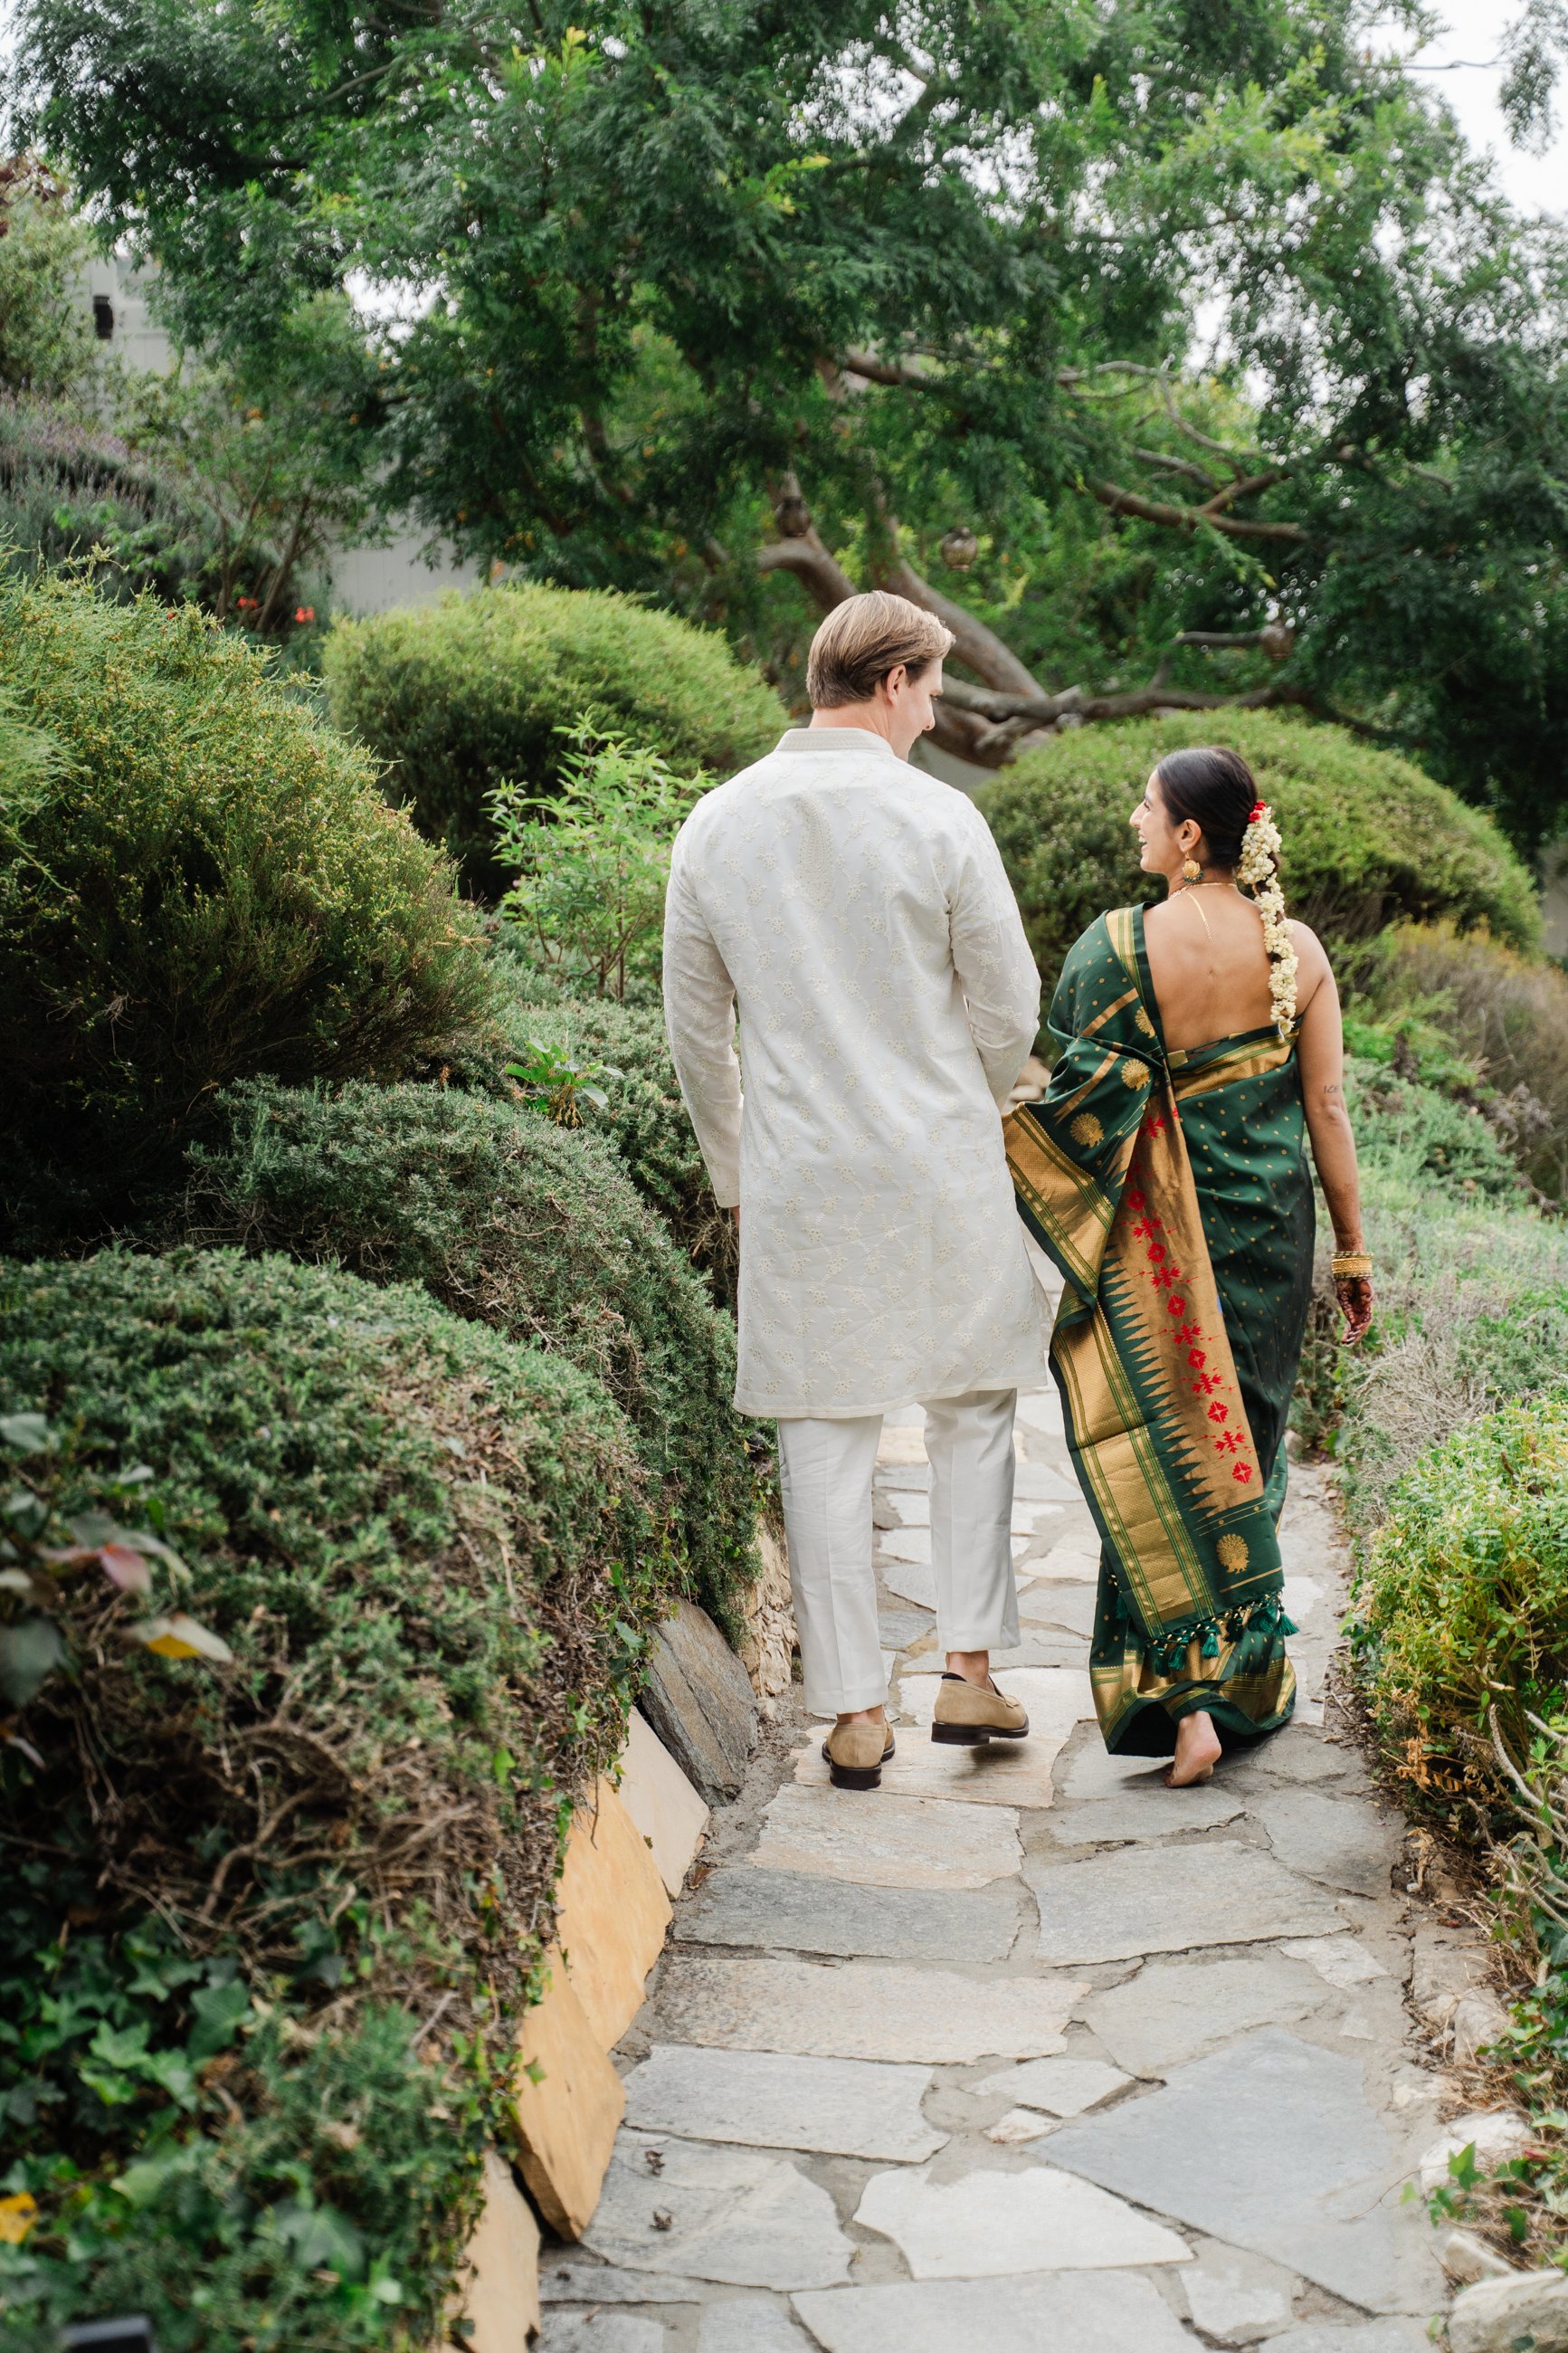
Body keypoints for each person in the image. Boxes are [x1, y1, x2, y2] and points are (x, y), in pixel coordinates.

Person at [662, 590, 1048, 1791]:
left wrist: (735, 1167)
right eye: (930, 688)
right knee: (972, 1406)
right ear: (890, 683)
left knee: (822, 1433)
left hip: (803, 1174)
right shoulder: (940, 818)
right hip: (940, 1164)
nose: (933, 712)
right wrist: (970, 1092)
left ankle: (853, 1711)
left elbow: (694, 1031)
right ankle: (968, 1670)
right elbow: (1010, 1006)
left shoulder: (715, 823)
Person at [1005, 745, 1373, 1787]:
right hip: (1269, 1234)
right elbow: (1325, 1107)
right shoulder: (1295, 949)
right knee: (1242, 1443)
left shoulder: (1117, 947)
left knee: (1162, 1444)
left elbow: (1077, 1103)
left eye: (1145, 806)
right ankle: (1236, 1683)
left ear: (1185, 835)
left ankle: (1181, 1696)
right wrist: (1351, 1246)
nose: (1133, 818)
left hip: (1156, 1243)